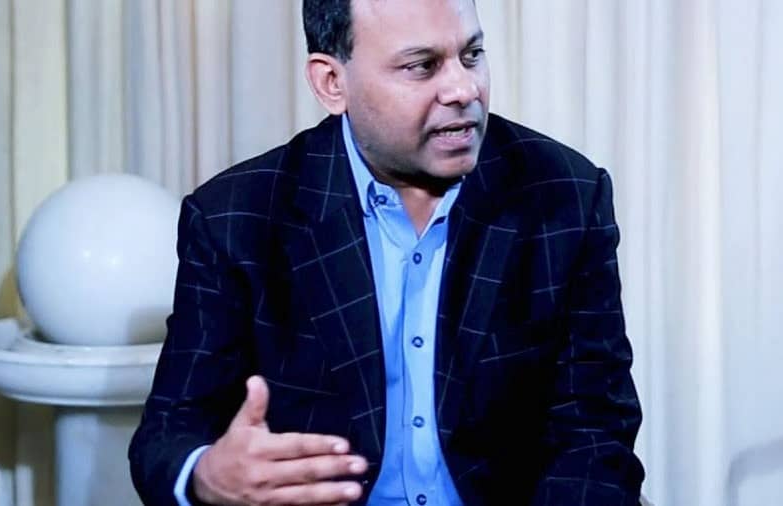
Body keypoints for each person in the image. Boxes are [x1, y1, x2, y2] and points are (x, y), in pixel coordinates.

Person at [129, 0, 645, 504]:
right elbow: (168, 434)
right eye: (423, 66)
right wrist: (208, 476)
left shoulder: (563, 195)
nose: (464, 89)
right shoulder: (236, 218)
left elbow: (595, 432)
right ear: (332, 83)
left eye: (471, 55)